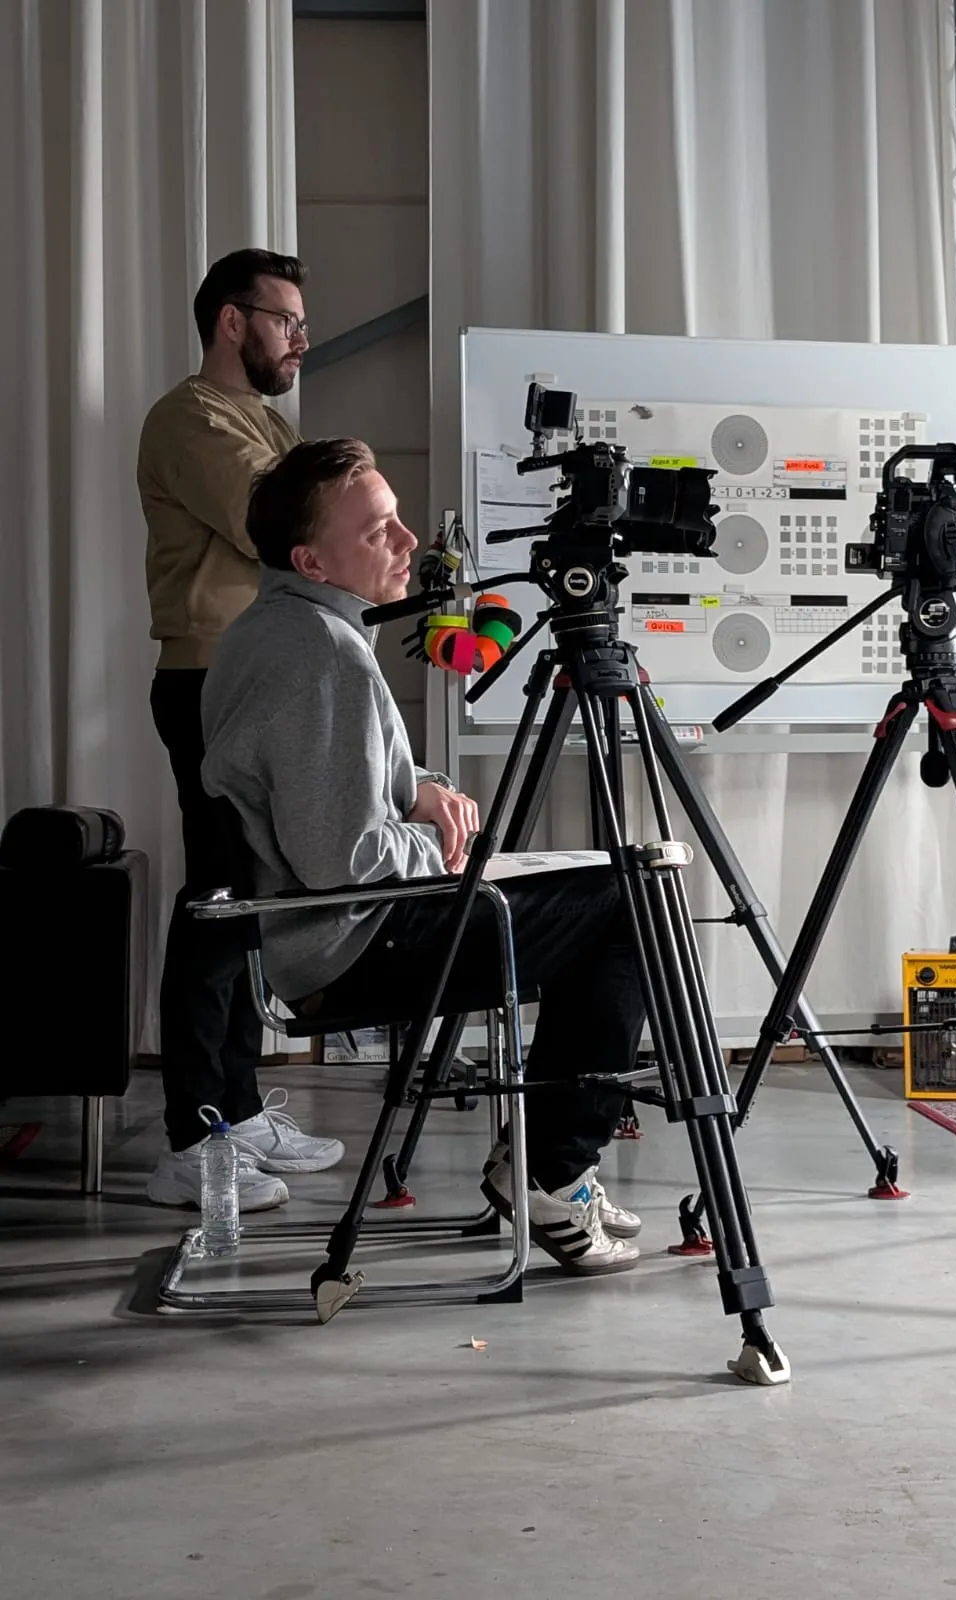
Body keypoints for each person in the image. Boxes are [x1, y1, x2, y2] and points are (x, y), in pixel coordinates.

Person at [199, 438, 644, 1274]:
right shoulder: (321, 654)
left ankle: (549, 1161)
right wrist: (439, 843)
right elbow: (344, 855)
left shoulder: (276, 627)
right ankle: (551, 1171)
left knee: (608, 895)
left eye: (398, 519)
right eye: (377, 530)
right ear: (312, 559)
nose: (407, 541)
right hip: (355, 945)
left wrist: (419, 788)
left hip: (340, 933)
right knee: (632, 906)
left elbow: (341, 780)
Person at [138, 248, 344, 1211]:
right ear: (232, 321)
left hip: (259, 681)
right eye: (285, 319)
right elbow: (275, 517)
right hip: (211, 682)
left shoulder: (261, 418)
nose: (300, 338)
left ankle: (239, 1103)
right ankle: (193, 1135)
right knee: (221, 899)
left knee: (252, 899)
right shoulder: (192, 419)